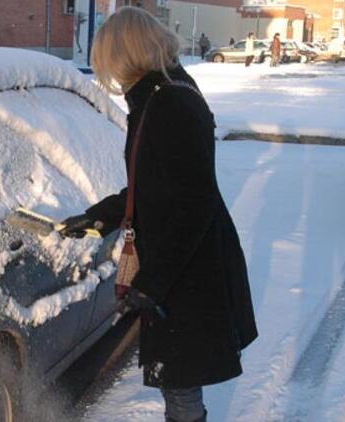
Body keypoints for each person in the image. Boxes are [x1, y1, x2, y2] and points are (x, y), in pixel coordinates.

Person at [60, 7, 258, 422]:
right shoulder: (162, 95)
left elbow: (192, 203)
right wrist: (101, 216)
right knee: (178, 382)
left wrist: (153, 282)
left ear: (126, 53)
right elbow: (157, 185)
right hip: (184, 265)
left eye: (107, 60)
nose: (108, 73)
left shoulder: (169, 104)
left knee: (181, 383)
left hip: (187, 271)